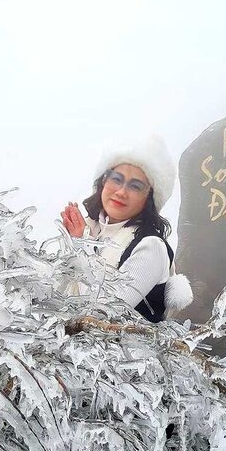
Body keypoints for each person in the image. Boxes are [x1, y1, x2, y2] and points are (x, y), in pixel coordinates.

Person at [60, 135, 192, 322]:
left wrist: (80, 246)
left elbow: (102, 315)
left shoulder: (151, 247)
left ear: (149, 198)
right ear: (103, 181)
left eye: (135, 186)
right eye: (116, 179)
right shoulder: (91, 231)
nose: (121, 192)